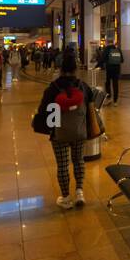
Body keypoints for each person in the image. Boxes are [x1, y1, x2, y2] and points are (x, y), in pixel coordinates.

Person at [35, 50, 93, 209]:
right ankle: (80, 191)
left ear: (60, 68)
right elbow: (90, 108)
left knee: (62, 165)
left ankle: (66, 197)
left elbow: (45, 112)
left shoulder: (52, 89)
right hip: (79, 132)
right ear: (76, 69)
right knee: (79, 161)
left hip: (59, 134)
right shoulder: (83, 87)